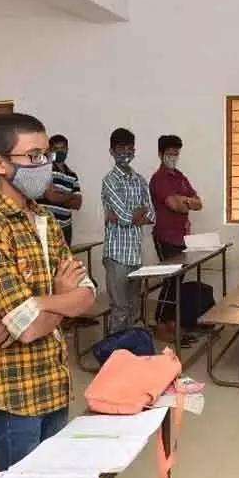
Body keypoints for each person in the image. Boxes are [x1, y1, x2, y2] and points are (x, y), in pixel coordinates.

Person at [0, 112, 95, 472]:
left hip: (54, 379)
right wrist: (62, 299)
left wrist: (38, 302)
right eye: (33, 156)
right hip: (16, 393)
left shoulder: (44, 220)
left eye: (46, 155)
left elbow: (87, 294)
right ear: (0, 163)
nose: (44, 164)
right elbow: (27, 327)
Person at [149, 134, 202, 344]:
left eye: (176, 153)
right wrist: (185, 202)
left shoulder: (180, 176)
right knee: (170, 281)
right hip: (165, 237)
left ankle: (171, 322)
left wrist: (185, 200)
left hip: (182, 238)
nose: (173, 157)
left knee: (178, 283)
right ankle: (160, 324)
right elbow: (174, 205)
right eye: (169, 153)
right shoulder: (159, 178)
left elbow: (198, 203)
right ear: (161, 154)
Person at [101, 127, 155, 333]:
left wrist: (130, 215)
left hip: (135, 254)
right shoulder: (109, 180)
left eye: (129, 148)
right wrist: (134, 214)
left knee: (133, 309)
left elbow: (151, 215)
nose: (126, 152)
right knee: (120, 309)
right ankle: (116, 357)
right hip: (117, 255)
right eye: (120, 148)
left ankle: (129, 354)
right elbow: (124, 218)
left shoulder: (139, 179)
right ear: (112, 151)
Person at [38, 134, 82, 246]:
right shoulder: (44, 168)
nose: (60, 151)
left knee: (66, 261)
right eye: (56, 149)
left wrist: (59, 194)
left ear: (67, 149)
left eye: (62, 148)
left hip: (66, 227)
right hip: (46, 226)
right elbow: (51, 196)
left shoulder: (72, 175)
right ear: (49, 151)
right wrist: (70, 195)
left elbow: (78, 203)